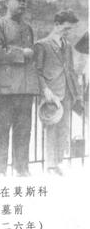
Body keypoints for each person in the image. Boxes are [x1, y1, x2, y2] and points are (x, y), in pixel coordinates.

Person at [0, 0, 39, 176]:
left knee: (24, 130)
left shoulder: (28, 28)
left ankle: (22, 168)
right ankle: (0, 170)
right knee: (2, 130)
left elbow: (32, 55)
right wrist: (21, 53)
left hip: (25, 88)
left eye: (25, 1)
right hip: (6, 88)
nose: (23, 4)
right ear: (6, 2)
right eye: (18, 0)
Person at [34, 10, 81, 175]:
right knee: (51, 128)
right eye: (66, 28)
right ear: (56, 25)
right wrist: (45, 90)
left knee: (64, 129)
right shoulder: (42, 45)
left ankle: (59, 162)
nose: (68, 32)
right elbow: (37, 71)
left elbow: (71, 70)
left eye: (70, 29)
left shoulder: (67, 45)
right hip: (51, 94)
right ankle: (51, 165)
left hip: (67, 92)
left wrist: (77, 94)